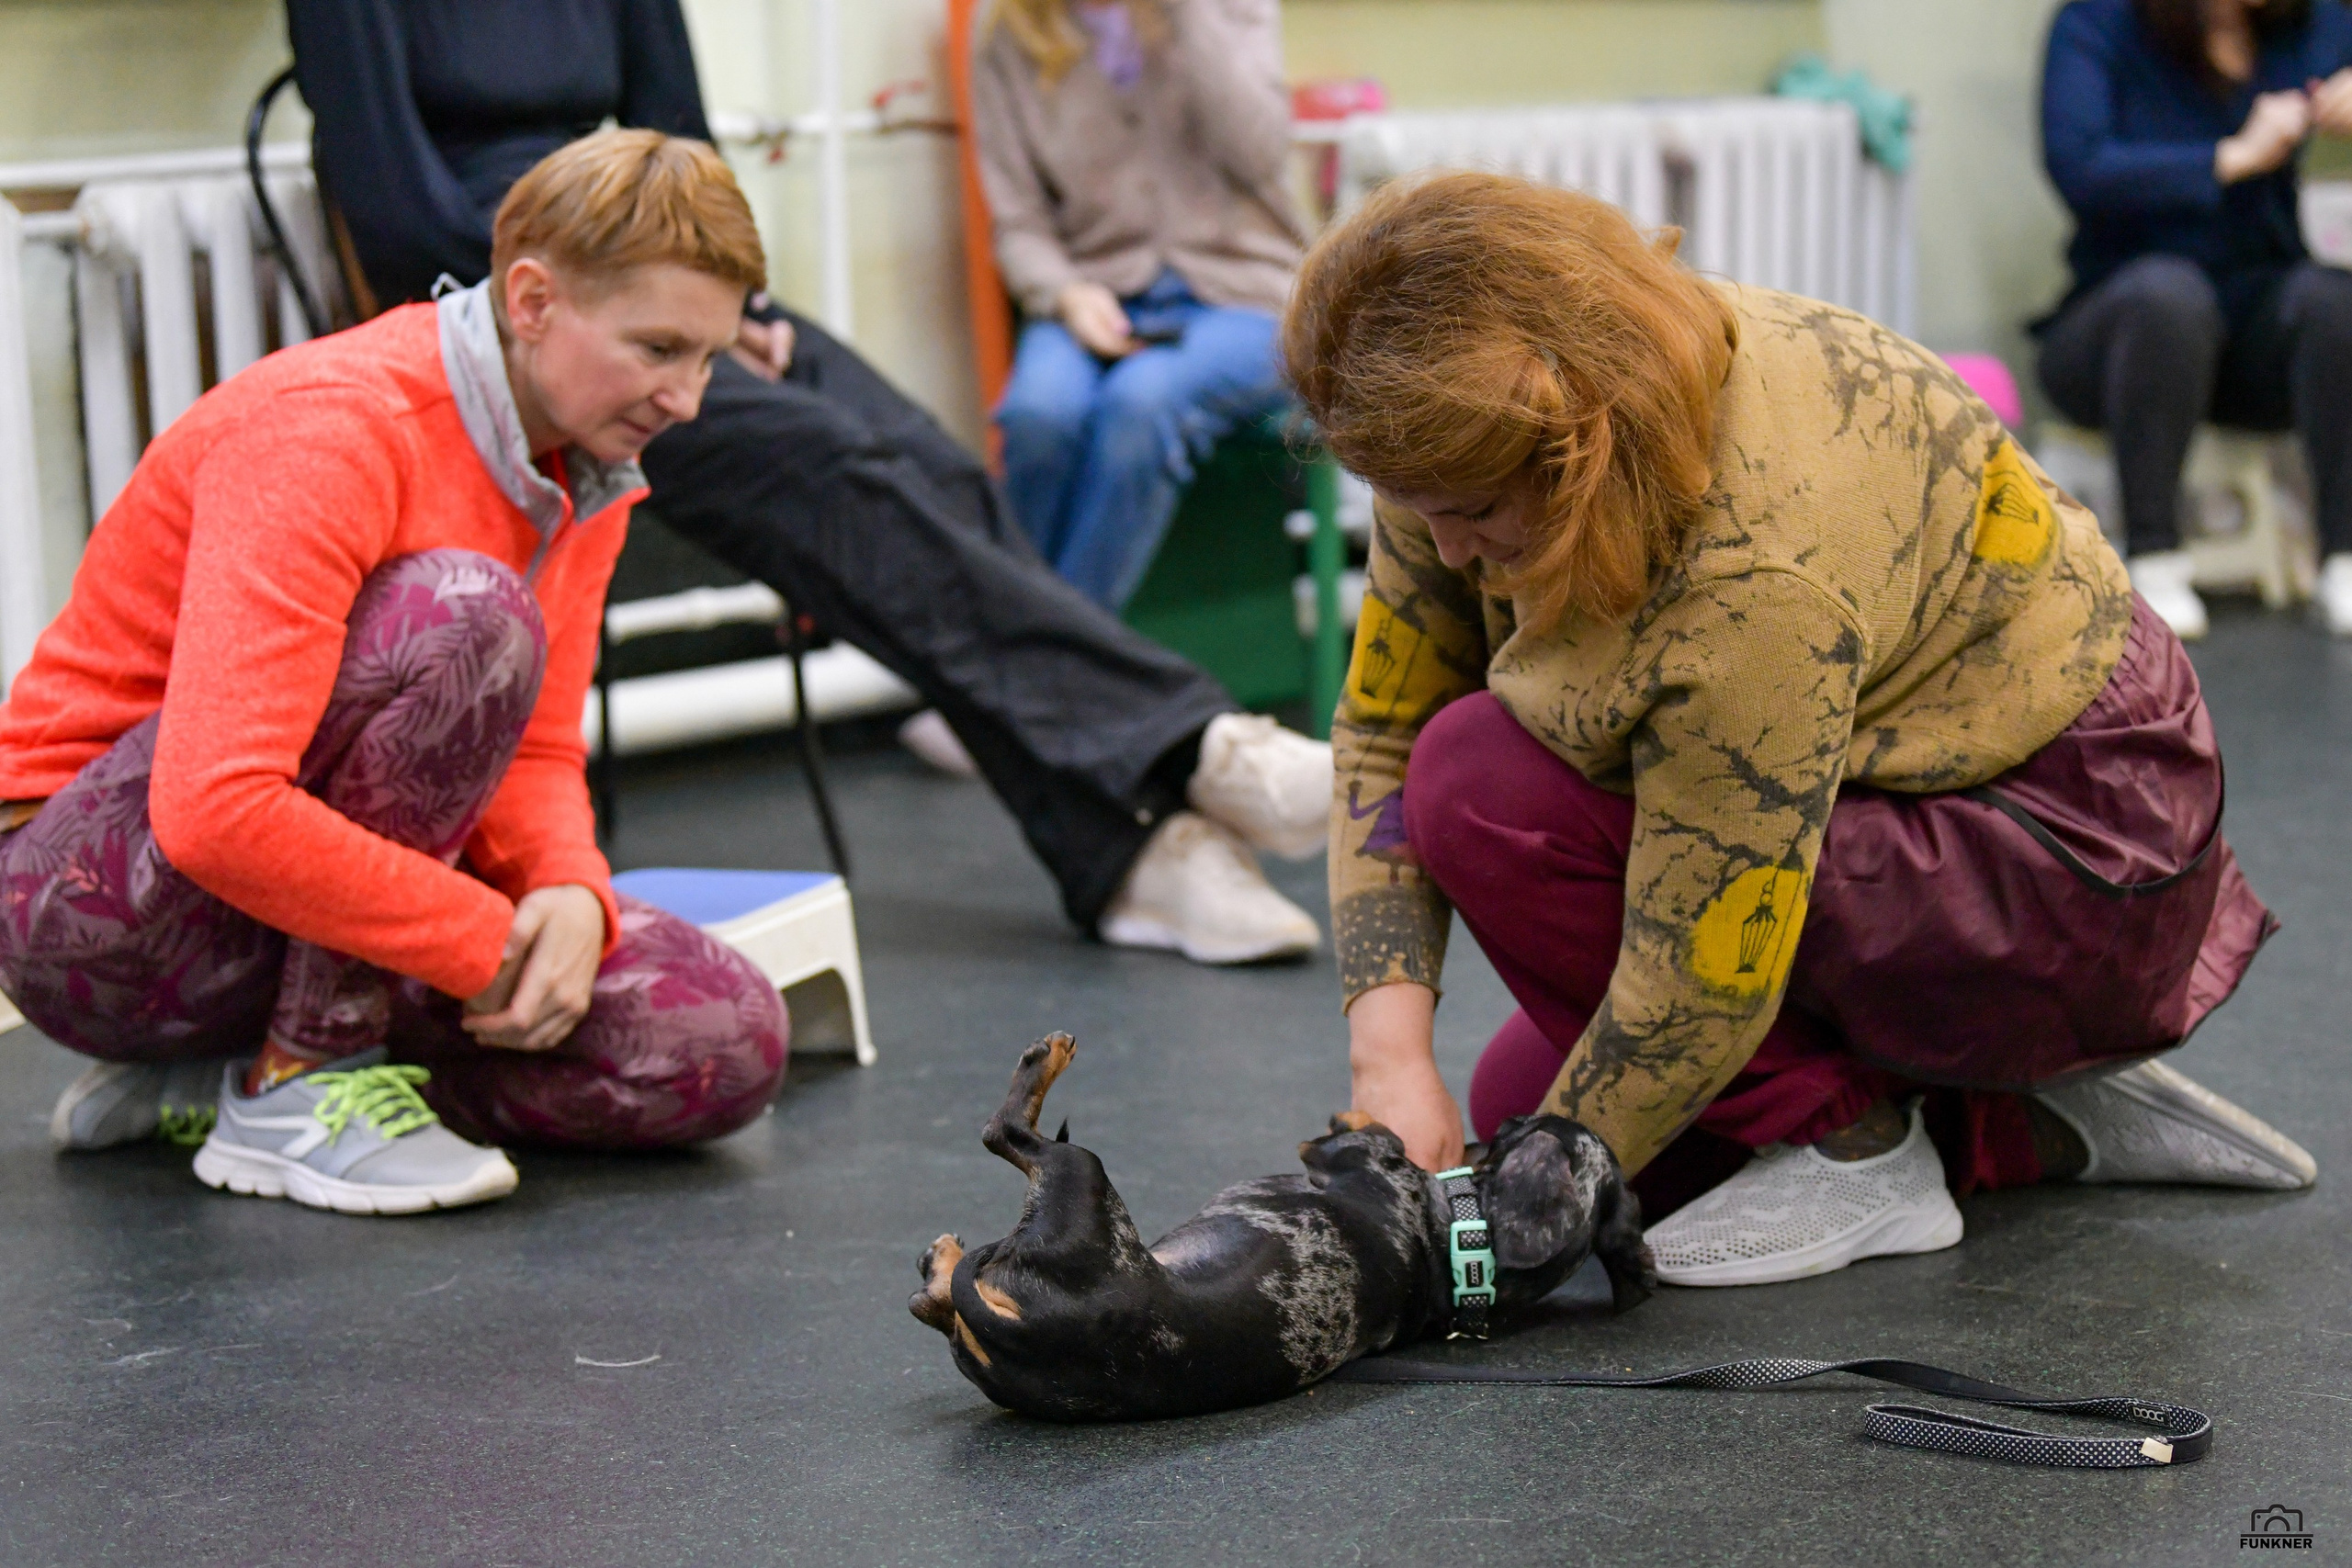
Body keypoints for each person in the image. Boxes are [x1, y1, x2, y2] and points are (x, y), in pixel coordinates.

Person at [1288, 173, 2316, 1290]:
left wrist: (1529, 1206)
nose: (1441, 554)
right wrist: (1388, 1061)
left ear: (1576, 455)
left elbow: (1702, 966)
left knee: (1478, 788)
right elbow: (1382, 726)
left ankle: (1860, 1150)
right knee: (1520, 1106)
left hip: (2070, 858)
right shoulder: (1474, 410)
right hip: (1921, 791)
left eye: (1474, 516)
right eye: (1414, 509)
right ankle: (2022, 1115)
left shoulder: (1749, 576)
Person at [287, 0, 1329, 969]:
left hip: (641, 269)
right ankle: (1186, 756)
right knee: (835, 473)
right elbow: (385, 198)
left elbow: (678, 133)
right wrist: (595, 312)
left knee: (926, 460)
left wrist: (726, 300)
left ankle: (1133, 855)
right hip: (513, 311)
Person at [1, 132, 791, 1213]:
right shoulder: (335, 427)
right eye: (658, 348)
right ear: (531, 300)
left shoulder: (589, 464)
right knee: (465, 617)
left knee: (718, 1036)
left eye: (707, 357)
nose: (687, 397)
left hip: (273, 915)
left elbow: (542, 746)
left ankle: (215, 1076)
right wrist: (479, 941)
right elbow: (214, 809)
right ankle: (302, 1081)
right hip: (84, 917)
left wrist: (567, 887)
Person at [972, 0, 1306, 609]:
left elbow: (1260, 152)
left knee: (1142, 401)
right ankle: (1024, 667)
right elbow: (1018, 222)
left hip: (1246, 291)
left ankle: (1048, 672)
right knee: (1037, 416)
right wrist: (1067, 294)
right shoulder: (1006, 33)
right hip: (1093, 287)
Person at [2038, 0, 2352, 638]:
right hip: (2115, 326)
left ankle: (2344, 555)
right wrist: (2230, 156)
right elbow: (2079, 166)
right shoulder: (2097, 23)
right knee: (2168, 298)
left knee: (2331, 299)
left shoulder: (2316, 22)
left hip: (2252, 324)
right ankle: (2155, 554)